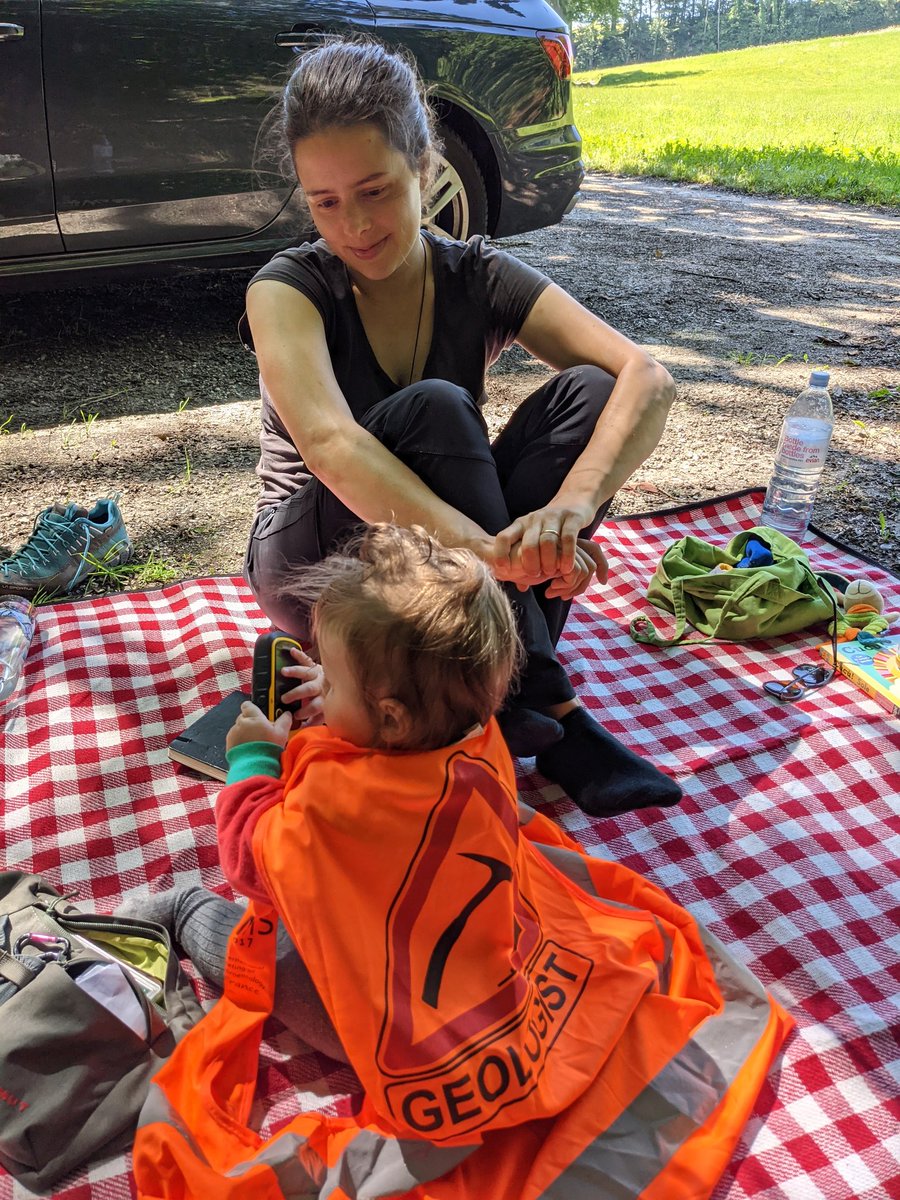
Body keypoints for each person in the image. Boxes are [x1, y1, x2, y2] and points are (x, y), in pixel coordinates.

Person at [130, 525, 793, 1199]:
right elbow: (391, 758)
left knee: (235, 924)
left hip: (369, 1022)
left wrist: (253, 760)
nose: (321, 687)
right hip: (493, 984)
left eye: (332, 677)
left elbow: (249, 858)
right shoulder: (476, 737)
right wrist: (336, 702)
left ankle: (174, 915)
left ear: (387, 716)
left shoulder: (333, 805)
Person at [240, 37, 681, 817]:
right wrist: (488, 557)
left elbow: (646, 377)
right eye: (325, 201)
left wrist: (567, 517)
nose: (355, 224)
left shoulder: (474, 271)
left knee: (586, 390)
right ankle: (547, 707)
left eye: (375, 190)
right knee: (438, 406)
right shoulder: (286, 289)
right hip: (314, 551)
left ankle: (499, 681)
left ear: (426, 170)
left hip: (443, 559)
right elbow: (332, 447)